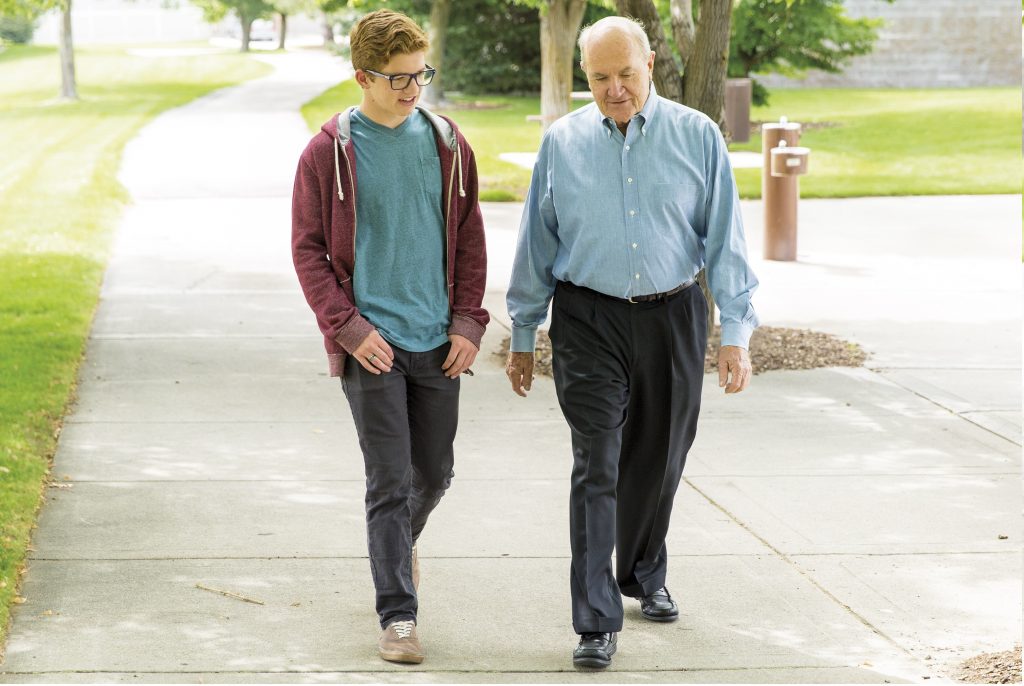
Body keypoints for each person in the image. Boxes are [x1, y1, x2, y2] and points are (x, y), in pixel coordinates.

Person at [504, 15, 759, 670]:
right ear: (583, 76)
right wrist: (525, 332)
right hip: (588, 318)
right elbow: (539, 239)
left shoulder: (698, 137)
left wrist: (735, 332)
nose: (614, 88)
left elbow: (724, 240)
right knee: (597, 461)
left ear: (650, 61)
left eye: (624, 73)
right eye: (598, 78)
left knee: (660, 456)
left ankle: (644, 570)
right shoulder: (561, 143)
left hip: (673, 314)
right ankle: (594, 619)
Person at [291, 9, 488, 665]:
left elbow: (468, 241)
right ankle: (398, 616)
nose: (413, 89)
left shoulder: (447, 143)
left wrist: (468, 322)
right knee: (387, 481)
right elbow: (309, 252)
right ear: (362, 76)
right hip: (370, 345)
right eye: (400, 79)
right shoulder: (328, 152)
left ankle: (396, 550)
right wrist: (346, 329)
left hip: (437, 340)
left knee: (433, 472)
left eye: (420, 74)